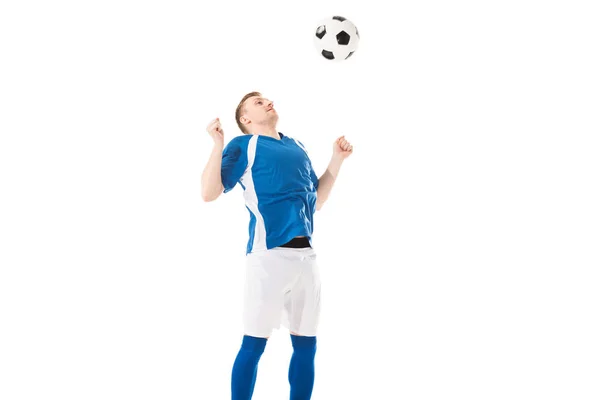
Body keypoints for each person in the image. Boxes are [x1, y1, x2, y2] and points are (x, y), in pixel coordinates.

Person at [201, 91, 353, 400]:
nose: (268, 101)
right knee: (254, 343)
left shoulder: (296, 145)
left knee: (306, 345)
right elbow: (209, 192)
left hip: (306, 259)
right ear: (246, 120)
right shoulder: (245, 145)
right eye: (258, 102)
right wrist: (217, 145)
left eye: (266, 98)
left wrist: (337, 160)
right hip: (268, 258)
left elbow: (318, 201)